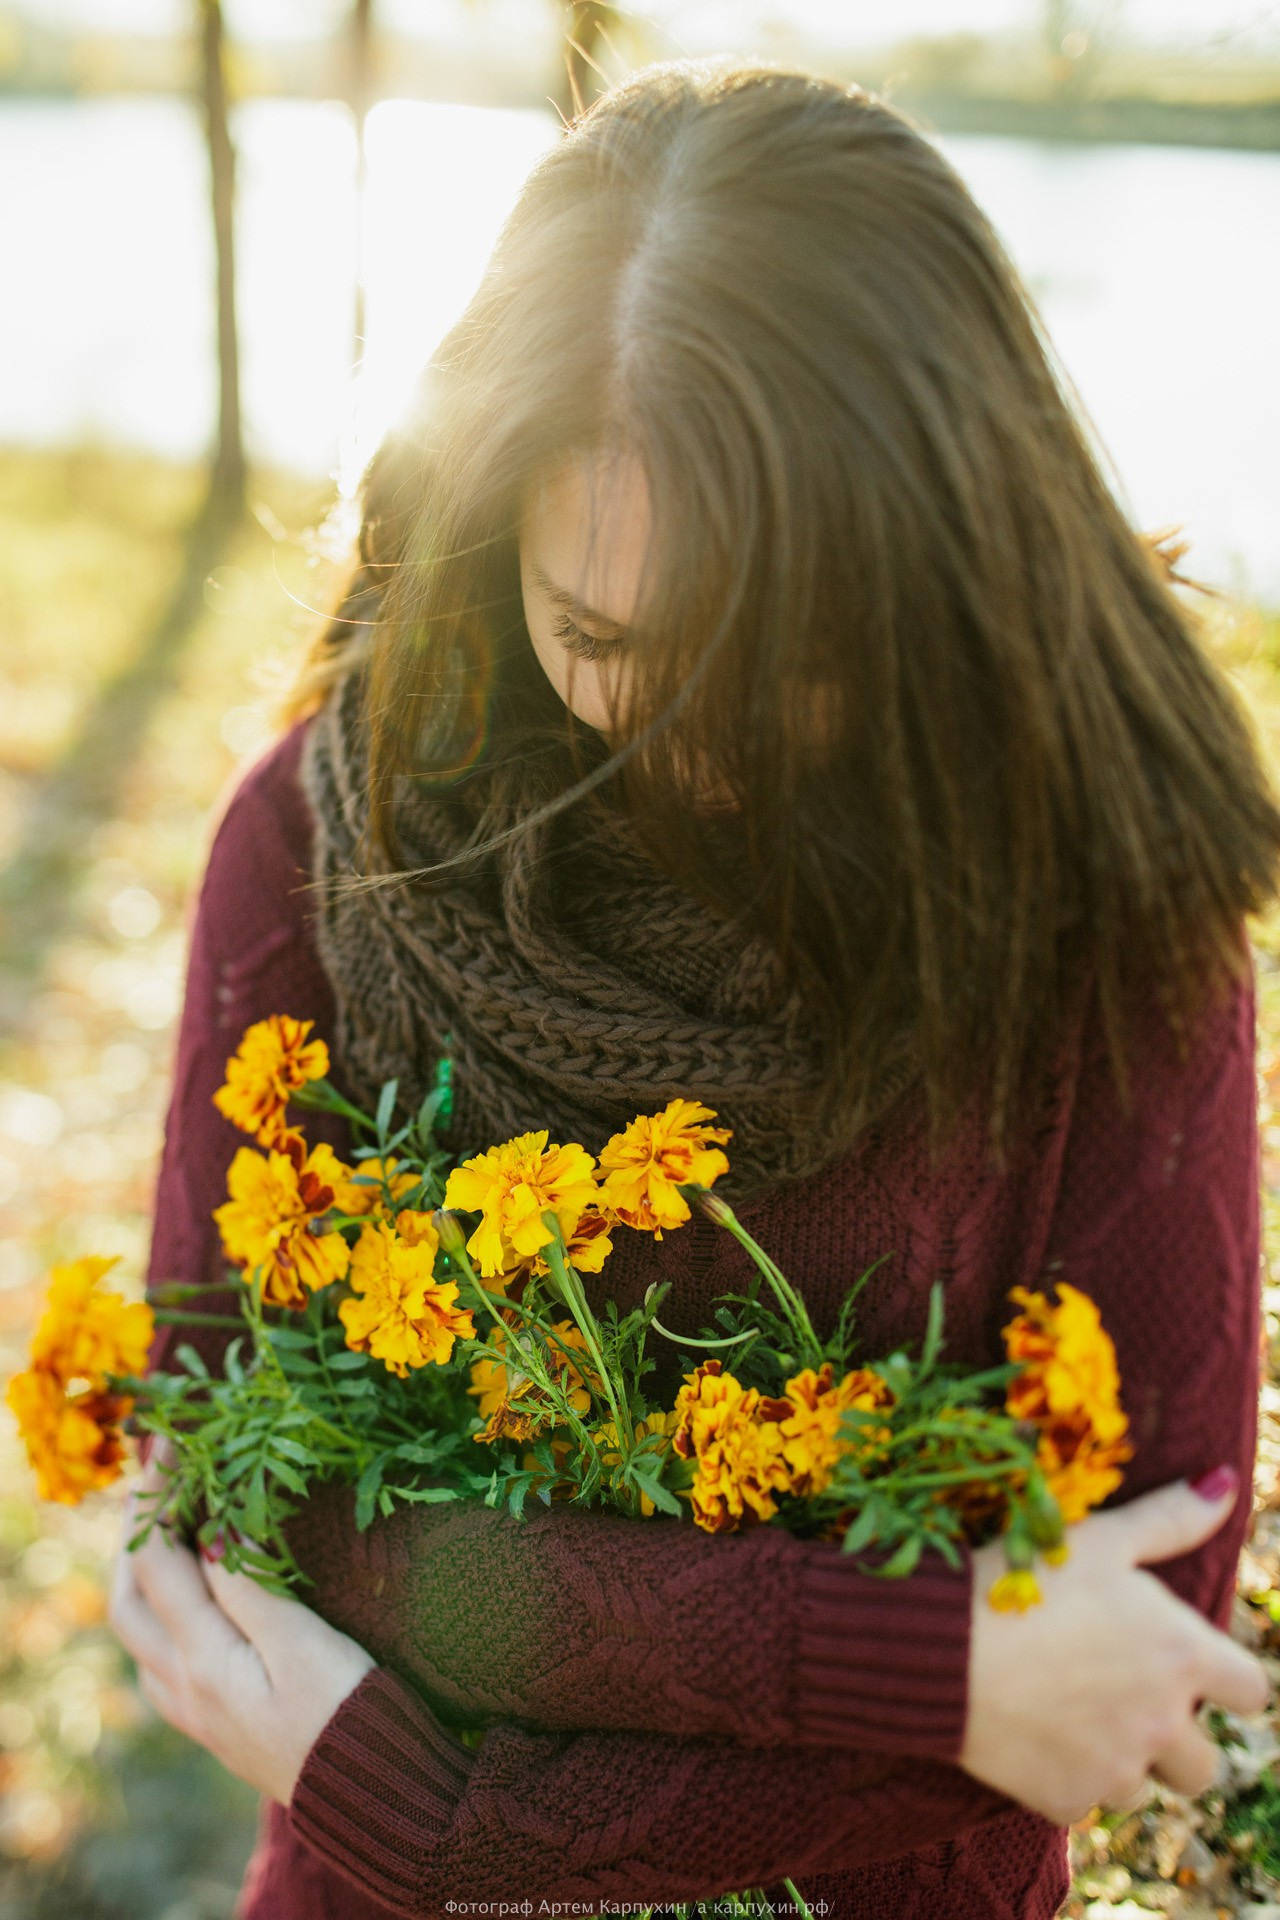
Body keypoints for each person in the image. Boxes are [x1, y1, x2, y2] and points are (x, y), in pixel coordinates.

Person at [109, 59, 1274, 1920]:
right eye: (601, 638)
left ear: (942, 559)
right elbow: (236, 1507)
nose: (691, 744)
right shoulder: (340, 847)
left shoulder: (1099, 928)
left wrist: (438, 1804)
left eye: (787, 655)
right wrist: (937, 1666)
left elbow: (1127, 1667)